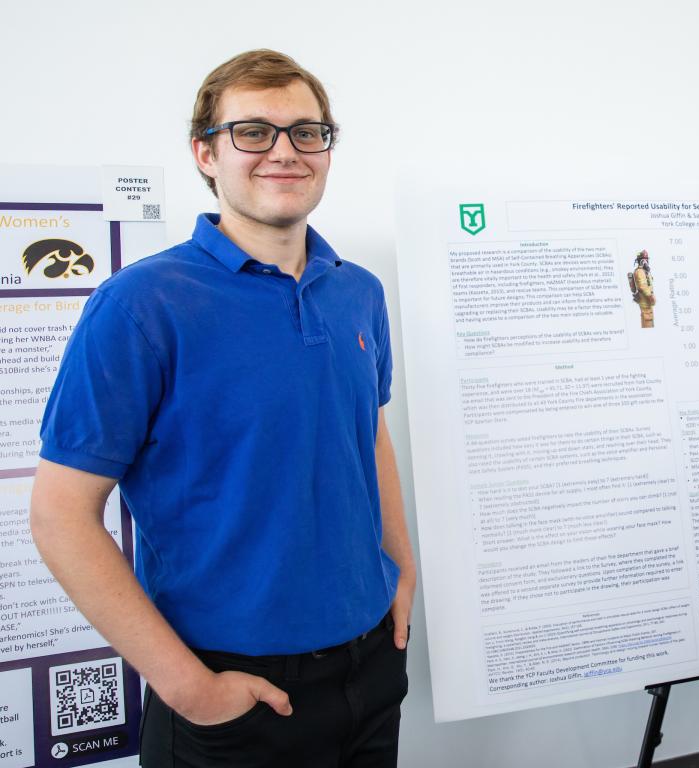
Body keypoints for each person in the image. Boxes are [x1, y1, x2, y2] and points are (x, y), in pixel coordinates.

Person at [30, 49, 416, 768]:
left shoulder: (357, 291)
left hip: (371, 668)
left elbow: (370, 435)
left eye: (307, 132)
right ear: (205, 153)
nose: (285, 152)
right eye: (253, 132)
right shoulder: (141, 306)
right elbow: (59, 514)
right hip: (232, 690)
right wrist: (192, 691)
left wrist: (403, 567)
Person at [631, 249, 655, 328]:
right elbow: (642, 286)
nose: (646, 261)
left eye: (646, 259)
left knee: (649, 319)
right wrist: (649, 296)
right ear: (640, 261)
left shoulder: (644, 271)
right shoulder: (640, 272)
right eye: (644, 260)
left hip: (647, 300)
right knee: (647, 319)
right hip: (645, 299)